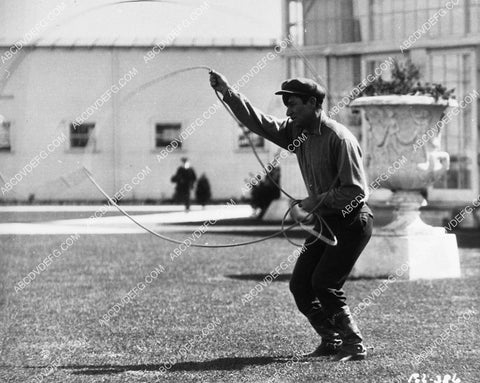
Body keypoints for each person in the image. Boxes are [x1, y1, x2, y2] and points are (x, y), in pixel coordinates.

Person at [210, 72, 373, 361]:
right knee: (300, 285)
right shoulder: (297, 132)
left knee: (324, 282)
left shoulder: (340, 138)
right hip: (327, 222)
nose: (288, 111)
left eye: (294, 104)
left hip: (352, 221)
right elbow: (259, 122)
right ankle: (332, 340)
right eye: (286, 104)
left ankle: (354, 343)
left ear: (313, 103)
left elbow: (355, 192)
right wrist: (228, 93)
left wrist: (315, 200)